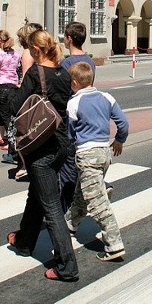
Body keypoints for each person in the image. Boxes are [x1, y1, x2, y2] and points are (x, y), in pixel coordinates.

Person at [6, 30, 79, 281]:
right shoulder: (63, 73)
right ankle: (25, 242)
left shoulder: (35, 73)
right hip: (61, 144)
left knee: (51, 206)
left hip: (41, 147)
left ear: (35, 51)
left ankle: (67, 266)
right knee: (37, 195)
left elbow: (15, 107)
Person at [64, 62, 129, 261]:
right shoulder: (107, 97)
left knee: (98, 203)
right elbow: (123, 123)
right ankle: (70, 223)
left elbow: (70, 133)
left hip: (86, 154)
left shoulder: (73, 103)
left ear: (74, 82)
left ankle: (114, 243)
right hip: (104, 153)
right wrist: (118, 140)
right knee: (83, 191)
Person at [59, 21, 98, 212]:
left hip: (71, 115)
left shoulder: (66, 64)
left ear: (69, 38)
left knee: (69, 165)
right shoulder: (89, 61)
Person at [2, 22, 43, 176]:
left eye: (21, 37)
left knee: (19, 131)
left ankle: (25, 165)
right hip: (37, 95)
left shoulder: (27, 53)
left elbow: (26, 78)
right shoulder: (39, 53)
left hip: (27, 96)